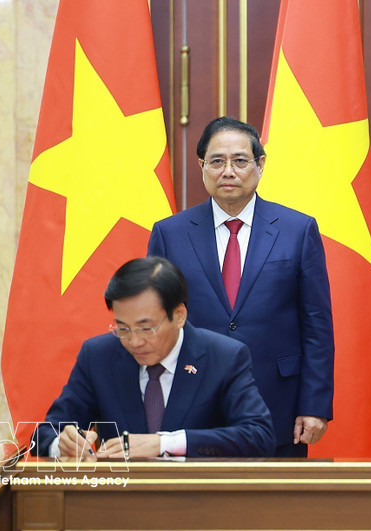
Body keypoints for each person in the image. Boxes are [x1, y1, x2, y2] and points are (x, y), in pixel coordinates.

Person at [148, 116, 334, 457]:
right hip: (190, 403)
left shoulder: (297, 229)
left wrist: (315, 404)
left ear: (260, 165)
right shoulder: (170, 234)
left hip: (278, 403)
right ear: (202, 166)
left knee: (274, 509)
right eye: (217, 161)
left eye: (240, 160)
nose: (228, 171)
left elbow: (316, 325)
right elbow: (157, 323)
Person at [32, 257, 275, 459]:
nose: (134, 341)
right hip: (117, 504)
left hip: (199, 504)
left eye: (146, 328)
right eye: (122, 328)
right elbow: (45, 434)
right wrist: (62, 445)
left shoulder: (223, 357)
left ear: (179, 315)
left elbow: (258, 436)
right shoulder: (98, 356)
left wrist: (164, 443)